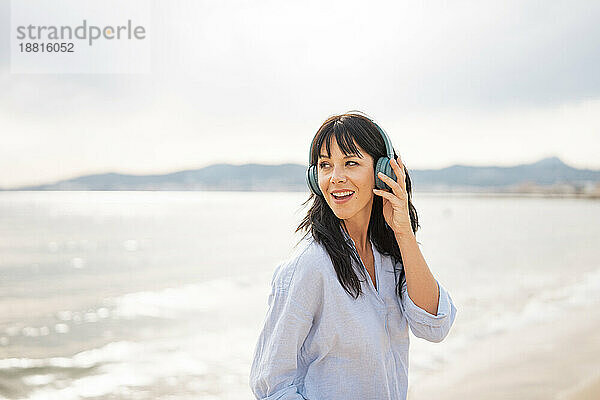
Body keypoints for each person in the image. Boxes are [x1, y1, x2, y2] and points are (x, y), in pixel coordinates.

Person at [249, 112, 457, 400]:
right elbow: (271, 385)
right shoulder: (309, 265)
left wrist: (403, 232)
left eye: (350, 162)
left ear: (383, 171)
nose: (335, 178)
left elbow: (435, 326)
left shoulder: (390, 256)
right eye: (325, 165)